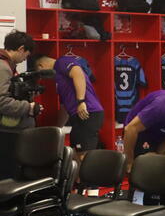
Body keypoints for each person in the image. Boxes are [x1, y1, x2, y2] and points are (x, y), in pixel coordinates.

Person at [31, 54, 105, 157]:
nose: (43, 78)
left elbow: (78, 73)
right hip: (77, 117)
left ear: (41, 66)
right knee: (75, 154)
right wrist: (58, 127)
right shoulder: (59, 80)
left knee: (84, 156)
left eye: (41, 74)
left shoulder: (61, 62)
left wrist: (80, 101)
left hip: (87, 112)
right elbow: (64, 107)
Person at [0, 31, 41, 180]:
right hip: (7, 134)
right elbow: (2, 101)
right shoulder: (3, 67)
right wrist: (28, 108)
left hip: (8, 132)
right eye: (26, 55)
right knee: (8, 178)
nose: (25, 59)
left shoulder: (8, 66)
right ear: (21, 49)